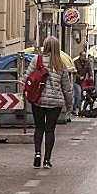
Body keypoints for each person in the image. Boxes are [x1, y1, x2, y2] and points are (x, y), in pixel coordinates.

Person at [23, 36, 73, 169]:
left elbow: (26, 77)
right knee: (50, 130)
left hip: (38, 99)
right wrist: (70, 105)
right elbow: (67, 88)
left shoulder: (36, 60)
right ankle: (47, 160)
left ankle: (37, 154)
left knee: (39, 128)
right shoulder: (61, 64)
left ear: (45, 46)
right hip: (55, 102)